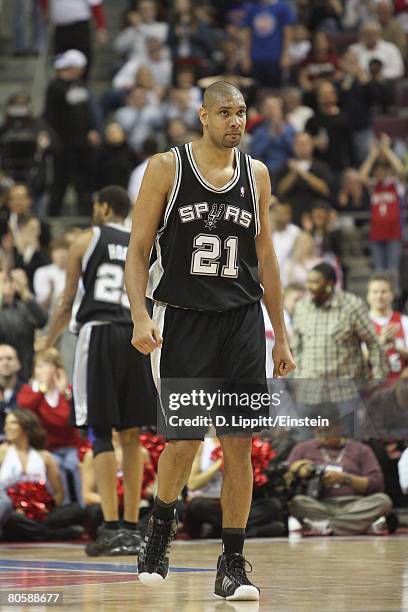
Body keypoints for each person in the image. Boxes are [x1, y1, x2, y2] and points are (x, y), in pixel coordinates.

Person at [125, 81, 295, 600]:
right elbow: (135, 253)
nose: (236, 121)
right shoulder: (166, 168)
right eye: (225, 112)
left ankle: (233, 562)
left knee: (239, 445)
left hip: (242, 319)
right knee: (183, 443)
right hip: (184, 318)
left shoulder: (257, 174)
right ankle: (159, 529)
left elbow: (266, 259)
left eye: (242, 112)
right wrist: (138, 316)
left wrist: (281, 336)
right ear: (203, 116)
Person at [38, 185, 156, 556]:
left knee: (100, 430)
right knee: (133, 433)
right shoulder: (143, 240)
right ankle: (135, 528)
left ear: (103, 207)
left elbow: (67, 297)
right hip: (137, 333)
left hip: (99, 334)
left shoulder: (87, 239)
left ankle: (112, 528)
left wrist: (48, 339)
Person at [286, 413, 393, 535]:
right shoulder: (302, 448)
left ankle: (325, 527)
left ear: (339, 427)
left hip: (355, 504)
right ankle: (360, 526)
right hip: (320, 505)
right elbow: (287, 479)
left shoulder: (361, 449)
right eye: (318, 432)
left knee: (383, 501)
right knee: (296, 503)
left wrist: (345, 479)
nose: (323, 437)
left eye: (327, 430)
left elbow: (377, 484)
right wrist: (300, 469)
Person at [17, 348, 81, 504]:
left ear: (57, 369)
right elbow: (25, 411)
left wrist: (63, 394)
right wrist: (43, 389)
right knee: (57, 468)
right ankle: (63, 511)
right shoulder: (29, 391)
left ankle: (84, 509)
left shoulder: (68, 392)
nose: (41, 371)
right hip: (44, 449)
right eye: (38, 366)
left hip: (71, 447)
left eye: (46, 365)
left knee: (76, 466)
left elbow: (66, 420)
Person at [359, 135, 406, 285]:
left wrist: (386, 150)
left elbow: (401, 170)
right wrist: (372, 156)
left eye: (383, 169)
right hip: (376, 234)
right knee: (378, 270)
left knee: (392, 270)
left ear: (388, 170)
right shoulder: (374, 186)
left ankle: (395, 300)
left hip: (394, 233)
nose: (380, 172)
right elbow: (361, 177)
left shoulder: (396, 185)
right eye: (377, 170)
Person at [367, 273, 408, 383]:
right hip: (371, 389)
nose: (379, 296)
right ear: (368, 296)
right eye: (375, 292)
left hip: (401, 387)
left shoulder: (404, 321)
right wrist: (380, 342)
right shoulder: (362, 323)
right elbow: (357, 358)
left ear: (392, 295)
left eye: (384, 291)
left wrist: (395, 347)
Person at [0, 345, 24, 438]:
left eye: (9, 359)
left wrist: (2, 405)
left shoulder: (28, 391)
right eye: (0, 359)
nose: (5, 363)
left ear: (18, 364)